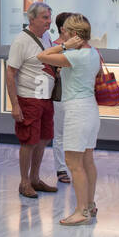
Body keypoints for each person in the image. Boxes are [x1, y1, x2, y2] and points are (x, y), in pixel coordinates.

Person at [38, 13, 100, 225]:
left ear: (73, 34)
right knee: (87, 161)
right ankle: (90, 206)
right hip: (91, 109)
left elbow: (42, 56)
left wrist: (64, 46)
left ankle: (81, 211)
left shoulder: (74, 56)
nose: (61, 34)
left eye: (64, 31)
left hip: (77, 111)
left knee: (74, 164)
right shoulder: (93, 53)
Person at [6, 1, 58, 198]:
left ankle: (35, 179)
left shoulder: (47, 36)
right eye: (45, 17)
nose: (49, 21)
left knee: (44, 139)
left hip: (46, 98)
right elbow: (10, 73)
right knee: (28, 141)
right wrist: (15, 105)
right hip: (29, 99)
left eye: (49, 17)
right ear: (32, 18)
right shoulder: (21, 41)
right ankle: (24, 182)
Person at [51, 12, 73, 185]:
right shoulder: (53, 46)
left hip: (75, 96)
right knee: (59, 133)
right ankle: (61, 168)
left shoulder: (78, 47)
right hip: (59, 95)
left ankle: (72, 165)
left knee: (73, 133)